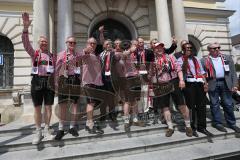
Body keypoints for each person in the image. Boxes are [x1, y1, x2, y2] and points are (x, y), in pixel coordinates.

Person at [22, 12, 55, 144]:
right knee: (37, 107)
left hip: (49, 82)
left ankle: (47, 130)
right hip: (37, 81)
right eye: (41, 42)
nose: (44, 43)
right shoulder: (34, 53)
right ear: (38, 43)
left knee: (48, 108)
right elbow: (25, 44)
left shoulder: (52, 56)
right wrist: (25, 29)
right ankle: (38, 131)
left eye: (45, 42)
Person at [148, 42, 192, 137]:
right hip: (161, 85)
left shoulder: (170, 57)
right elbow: (150, 75)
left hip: (173, 81)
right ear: (154, 50)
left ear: (163, 49)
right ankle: (170, 127)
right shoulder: (153, 62)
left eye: (161, 47)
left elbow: (178, 69)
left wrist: (181, 80)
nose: (159, 49)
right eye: (157, 48)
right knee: (165, 107)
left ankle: (188, 126)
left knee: (181, 104)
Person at [201, 42, 240, 133]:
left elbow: (233, 73)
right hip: (212, 83)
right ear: (209, 50)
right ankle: (217, 123)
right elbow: (202, 74)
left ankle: (232, 123)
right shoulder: (204, 60)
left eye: (218, 47)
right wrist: (205, 84)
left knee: (228, 104)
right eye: (214, 48)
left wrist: (235, 84)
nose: (217, 49)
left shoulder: (227, 57)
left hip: (226, 83)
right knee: (214, 104)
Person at [54, 36, 87, 140]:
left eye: (74, 43)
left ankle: (72, 126)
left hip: (75, 79)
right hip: (64, 79)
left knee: (74, 104)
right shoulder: (61, 55)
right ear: (66, 43)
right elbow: (56, 69)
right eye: (70, 42)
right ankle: (61, 128)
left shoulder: (78, 55)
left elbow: (81, 69)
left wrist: (81, 82)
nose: (72, 44)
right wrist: (55, 82)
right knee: (62, 104)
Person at [178, 43, 213, 137]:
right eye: (187, 48)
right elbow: (181, 71)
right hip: (189, 84)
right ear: (183, 50)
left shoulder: (196, 59)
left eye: (190, 48)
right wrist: (185, 58)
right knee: (191, 106)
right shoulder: (180, 59)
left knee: (202, 106)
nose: (189, 49)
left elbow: (202, 72)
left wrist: (205, 83)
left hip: (199, 83)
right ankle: (192, 127)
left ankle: (202, 127)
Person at [82, 37, 104, 134]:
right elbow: (83, 56)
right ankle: (90, 123)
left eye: (94, 43)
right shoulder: (86, 53)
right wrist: (85, 51)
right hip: (89, 82)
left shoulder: (96, 55)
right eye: (90, 43)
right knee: (91, 103)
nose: (92, 45)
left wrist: (101, 34)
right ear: (87, 44)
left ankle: (89, 122)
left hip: (96, 82)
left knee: (91, 103)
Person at [99, 39, 117, 123]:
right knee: (103, 97)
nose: (108, 45)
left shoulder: (114, 53)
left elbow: (117, 59)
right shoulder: (100, 54)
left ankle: (111, 113)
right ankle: (102, 114)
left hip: (111, 78)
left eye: (109, 44)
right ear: (103, 46)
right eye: (106, 44)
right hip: (102, 78)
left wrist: (113, 52)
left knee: (111, 97)